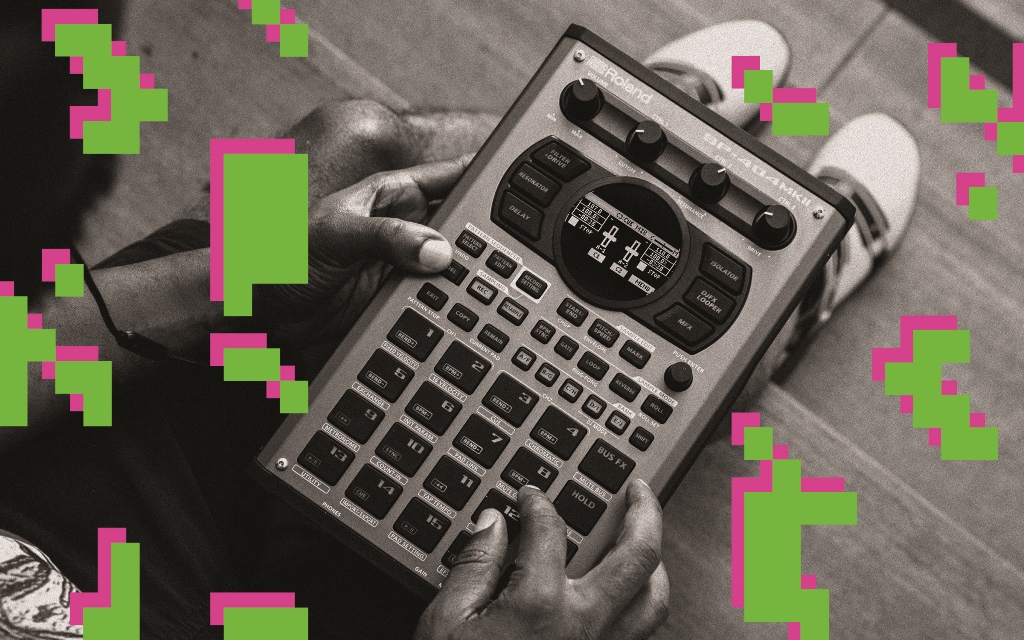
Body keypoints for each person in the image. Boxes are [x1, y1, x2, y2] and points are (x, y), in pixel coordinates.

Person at [0, 3, 919, 638]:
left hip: (57, 444)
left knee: (351, 141)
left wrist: (232, 278)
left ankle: (654, 127)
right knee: (693, 371)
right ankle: (790, 295)